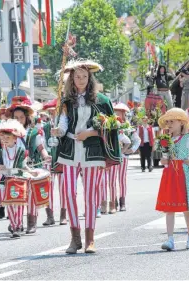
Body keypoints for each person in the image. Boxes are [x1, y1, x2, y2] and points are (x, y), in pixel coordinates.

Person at [51, 59, 121, 254]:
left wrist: (90, 133)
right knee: (69, 193)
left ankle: (90, 240)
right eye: (76, 76)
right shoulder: (65, 101)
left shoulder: (102, 101)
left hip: (93, 152)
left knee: (91, 195)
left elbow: (110, 126)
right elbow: (64, 124)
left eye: (84, 76)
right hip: (70, 151)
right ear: (71, 79)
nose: (80, 80)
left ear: (89, 78)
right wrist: (58, 131)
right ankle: (75, 239)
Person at [155, 108, 189, 251]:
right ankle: (170, 239)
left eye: (172, 121)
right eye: (167, 122)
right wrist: (164, 160)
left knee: (186, 208)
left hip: (183, 174)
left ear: (181, 123)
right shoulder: (166, 139)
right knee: (169, 208)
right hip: (169, 174)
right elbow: (164, 159)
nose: (169, 124)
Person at [6, 96, 51, 234]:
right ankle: (16, 222)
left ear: (26, 118)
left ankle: (32, 222)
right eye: (16, 117)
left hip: (30, 167)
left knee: (31, 196)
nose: (18, 120)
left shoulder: (33, 132)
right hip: (15, 169)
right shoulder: (8, 134)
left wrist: (45, 156)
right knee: (16, 195)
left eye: (21, 117)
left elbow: (40, 147)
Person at [0, 119, 30, 238]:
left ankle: (18, 225)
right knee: (10, 204)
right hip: (5, 180)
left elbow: (24, 166)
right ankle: (14, 225)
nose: (4, 140)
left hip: (19, 179)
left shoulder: (21, 151)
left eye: (7, 137)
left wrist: (32, 172)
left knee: (20, 204)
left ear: (15, 138)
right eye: (2, 138)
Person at [41, 101, 67, 225]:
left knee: (64, 189)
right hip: (49, 160)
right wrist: (46, 154)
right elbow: (42, 143)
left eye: (54, 111)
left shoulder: (64, 125)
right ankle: (50, 216)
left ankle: (63, 215)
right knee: (48, 189)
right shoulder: (45, 127)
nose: (52, 113)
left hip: (62, 159)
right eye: (50, 111)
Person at [112, 103, 140, 212]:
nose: (116, 113)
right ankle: (113, 202)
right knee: (112, 180)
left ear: (123, 113)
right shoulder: (111, 124)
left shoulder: (128, 126)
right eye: (115, 111)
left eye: (118, 111)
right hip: (113, 156)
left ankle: (122, 202)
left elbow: (137, 140)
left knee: (122, 179)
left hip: (123, 156)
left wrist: (132, 150)